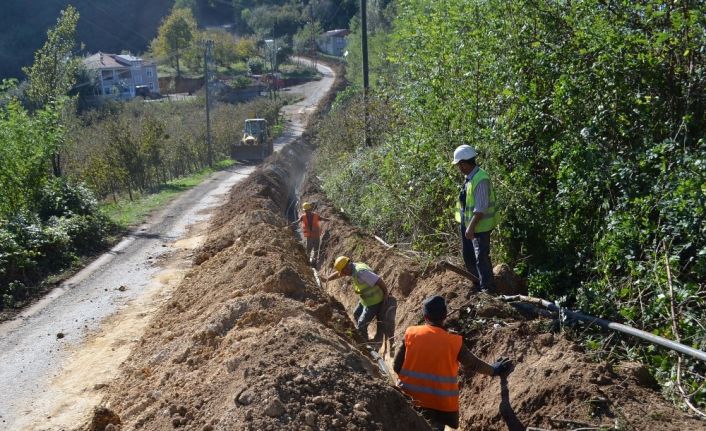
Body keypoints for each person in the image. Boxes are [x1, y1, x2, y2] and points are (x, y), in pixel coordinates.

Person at [394, 295, 513, 430]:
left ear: (425, 317)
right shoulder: (454, 342)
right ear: (445, 316)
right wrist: (494, 370)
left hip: (410, 398)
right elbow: (474, 364)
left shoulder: (411, 333)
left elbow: (396, 366)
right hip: (440, 406)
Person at [452, 144, 498, 292]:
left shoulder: (481, 179)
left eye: (459, 164)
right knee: (469, 256)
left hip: (480, 227)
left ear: (464, 163)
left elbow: (481, 208)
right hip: (468, 225)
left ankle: (487, 289)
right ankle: (477, 283)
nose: (459, 168)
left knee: (481, 258)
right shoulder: (470, 178)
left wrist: (471, 227)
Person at [323, 256, 389, 340]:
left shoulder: (361, 272)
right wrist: (327, 279)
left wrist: (386, 294)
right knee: (356, 313)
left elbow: (379, 280)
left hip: (374, 301)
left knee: (361, 323)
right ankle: (362, 333)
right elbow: (338, 274)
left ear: (346, 268)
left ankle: (366, 343)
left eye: (343, 272)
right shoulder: (352, 267)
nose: (343, 274)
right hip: (366, 300)